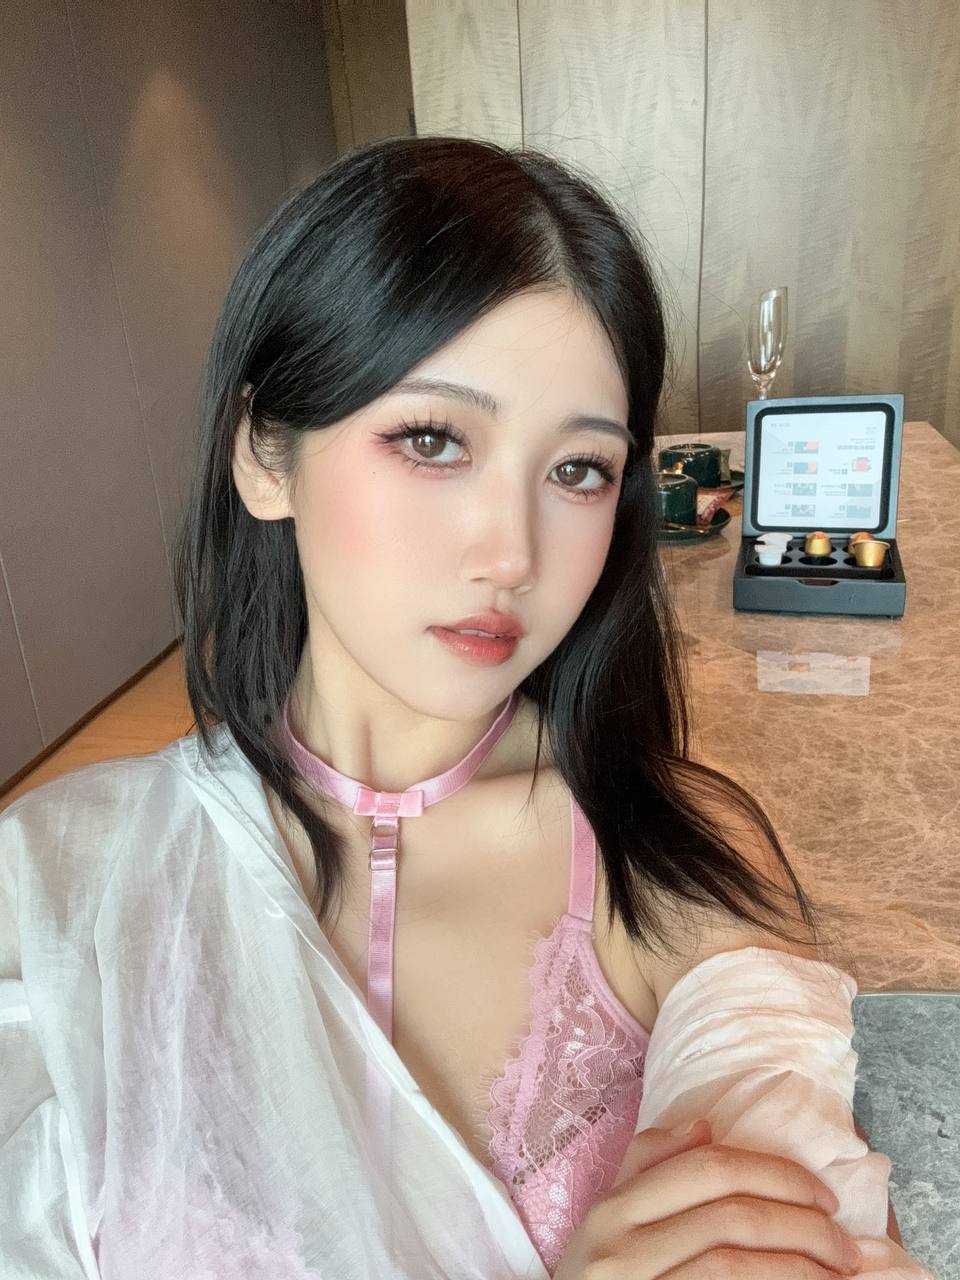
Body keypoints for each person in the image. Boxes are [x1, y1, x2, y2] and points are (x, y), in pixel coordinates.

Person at [0, 136, 932, 1280]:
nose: (512, 553)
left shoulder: (658, 853)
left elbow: (811, 1222)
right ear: (265, 456)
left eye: (579, 469)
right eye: (433, 440)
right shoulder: (54, 879)